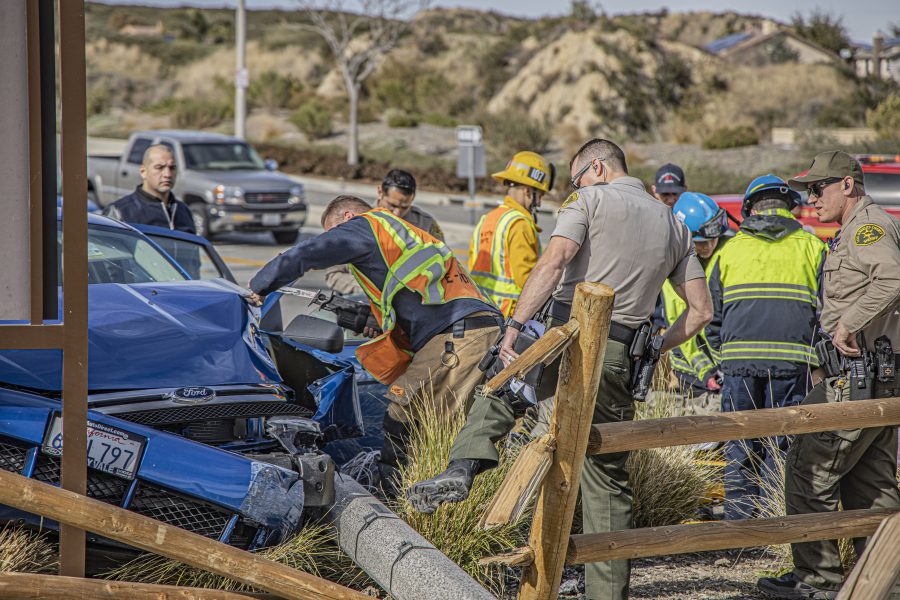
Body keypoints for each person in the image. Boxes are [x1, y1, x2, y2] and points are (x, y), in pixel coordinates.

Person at [409, 139, 713, 600]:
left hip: (566, 337)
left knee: (502, 389)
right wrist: (654, 347)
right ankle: (607, 595)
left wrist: (514, 329)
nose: (574, 186)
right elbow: (702, 312)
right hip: (621, 355)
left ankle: (464, 465)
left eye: (576, 178)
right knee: (607, 479)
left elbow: (554, 262)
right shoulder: (675, 225)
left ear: (597, 168)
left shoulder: (588, 200)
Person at [249, 195, 501, 488]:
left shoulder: (366, 225)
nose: (336, 238)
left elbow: (310, 252)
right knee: (442, 427)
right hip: (472, 329)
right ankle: (428, 491)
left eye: (333, 230)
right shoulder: (394, 235)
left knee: (404, 413)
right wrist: (368, 318)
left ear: (347, 217)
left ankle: (392, 492)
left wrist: (261, 285)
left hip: (458, 334)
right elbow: (418, 301)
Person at [757, 151, 900, 600]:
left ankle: (817, 581)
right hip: (868, 378)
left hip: (859, 378)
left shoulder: (867, 227)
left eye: (818, 188)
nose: (811, 198)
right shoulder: (854, 229)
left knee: (808, 470)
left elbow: (892, 278)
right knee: (872, 486)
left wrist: (848, 324)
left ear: (848, 185)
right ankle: (884, 582)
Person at [705, 174, 826, 521]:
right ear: (791, 207)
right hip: (792, 366)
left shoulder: (729, 251)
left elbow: (711, 317)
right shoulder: (813, 247)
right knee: (783, 446)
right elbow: (829, 315)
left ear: (749, 209)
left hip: (739, 368)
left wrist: (724, 358)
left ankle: (741, 533)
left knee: (740, 445)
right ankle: (778, 529)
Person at [660, 192, 731, 414]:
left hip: (723, 366)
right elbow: (682, 328)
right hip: (693, 370)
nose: (709, 246)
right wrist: (707, 372)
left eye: (713, 238)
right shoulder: (676, 270)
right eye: (701, 242)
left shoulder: (725, 253)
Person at [325, 169, 444, 295]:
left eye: (404, 207)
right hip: (360, 300)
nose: (397, 213)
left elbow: (442, 266)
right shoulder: (355, 220)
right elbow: (333, 274)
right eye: (392, 205)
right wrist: (369, 289)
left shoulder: (425, 224)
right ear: (380, 192)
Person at [468, 151, 551, 317]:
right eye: (540, 195)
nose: (539, 202)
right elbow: (528, 281)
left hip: (479, 312)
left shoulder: (488, 218)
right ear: (528, 191)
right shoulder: (520, 224)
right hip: (508, 316)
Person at [103, 144, 195, 234]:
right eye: (159, 167)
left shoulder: (184, 210)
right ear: (143, 171)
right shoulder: (119, 211)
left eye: (172, 168)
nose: (167, 174)